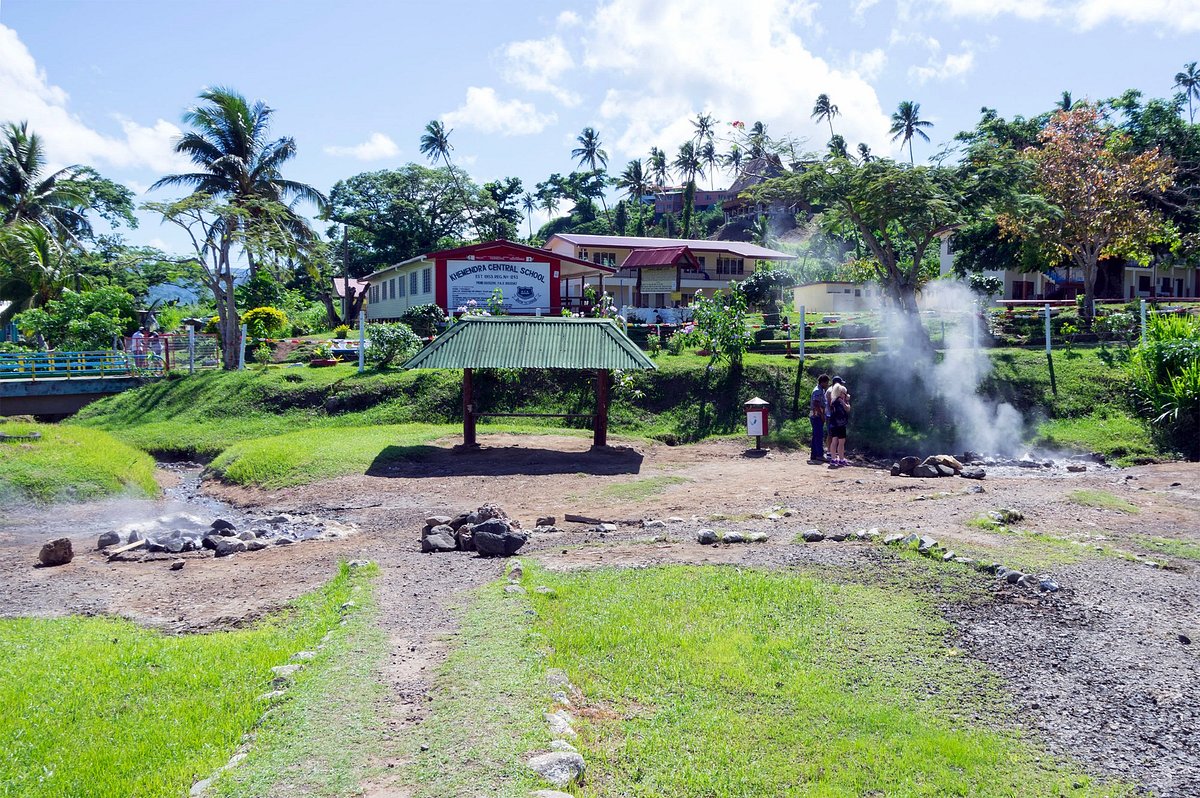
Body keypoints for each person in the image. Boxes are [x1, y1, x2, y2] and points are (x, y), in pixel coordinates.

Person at [827, 376, 851, 467]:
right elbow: (847, 409)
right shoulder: (840, 401)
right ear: (841, 393)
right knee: (841, 442)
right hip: (840, 424)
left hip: (834, 424)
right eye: (845, 393)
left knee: (835, 441)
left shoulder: (833, 400)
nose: (846, 395)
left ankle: (835, 459)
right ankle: (840, 459)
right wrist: (846, 401)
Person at [808, 374, 830, 463]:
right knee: (819, 435)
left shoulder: (821, 390)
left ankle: (814, 455)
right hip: (816, 416)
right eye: (826, 383)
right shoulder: (817, 391)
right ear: (822, 382)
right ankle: (819, 455)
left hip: (816, 415)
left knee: (816, 435)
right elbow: (816, 404)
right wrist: (821, 415)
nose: (827, 384)